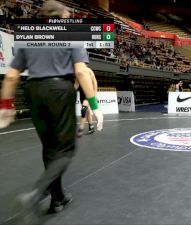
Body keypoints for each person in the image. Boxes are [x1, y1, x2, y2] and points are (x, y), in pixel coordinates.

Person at [0, 1, 103, 223]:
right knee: (65, 149)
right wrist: (94, 106)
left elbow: (10, 76)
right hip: (59, 90)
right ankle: (35, 196)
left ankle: (58, 198)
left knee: (49, 147)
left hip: (33, 91)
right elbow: (82, 72)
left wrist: (6, 106)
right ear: (63, 18)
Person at [75, 69, 97, 137]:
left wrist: (95, 95)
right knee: (87, 111)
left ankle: (81, 129)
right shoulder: (78, 72)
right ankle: (91, 126)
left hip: (89, 93)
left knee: (84, 109)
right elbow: (76, 84)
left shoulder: (89, 71)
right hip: (82, 94)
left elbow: (94, 83)